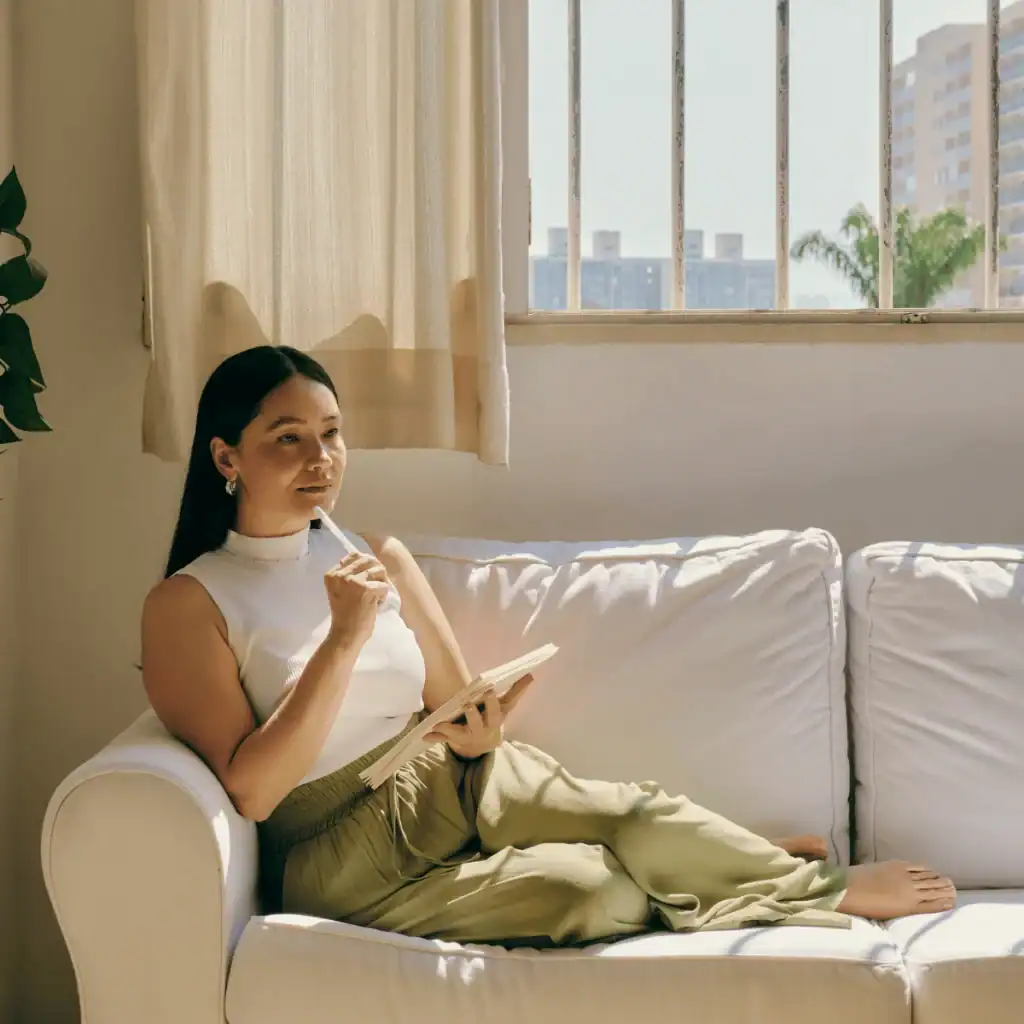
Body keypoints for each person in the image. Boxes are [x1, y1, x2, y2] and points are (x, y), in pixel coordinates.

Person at [141, 345, 956, 947]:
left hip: (443, 770)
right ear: (226, 456)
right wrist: (341, 644)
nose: (321, 459)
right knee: (589, 895)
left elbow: (456, 703)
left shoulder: (375, 552)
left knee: (634, 810)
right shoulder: (188, 603)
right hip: (340, 850)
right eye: (289, 437)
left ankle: (815, 887)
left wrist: (479, 725)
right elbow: (251, 791)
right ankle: (712, 866)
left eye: (332, 432)